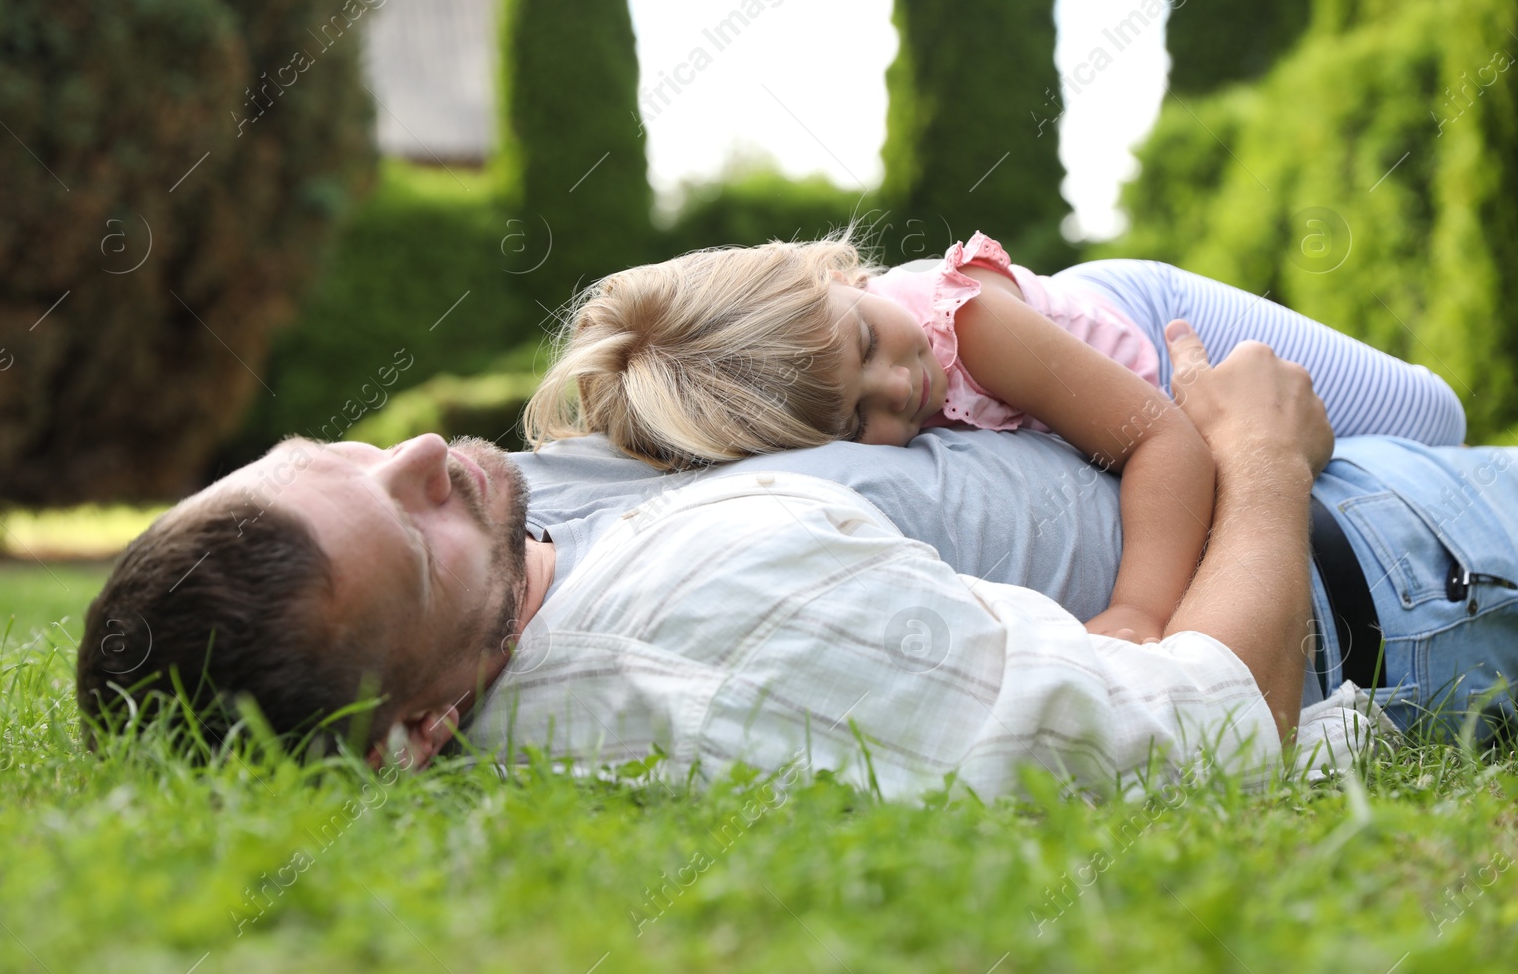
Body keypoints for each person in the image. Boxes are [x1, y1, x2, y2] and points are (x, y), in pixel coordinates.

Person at [76, 327, 1514, 800]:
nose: (418, 455)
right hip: (1400, 570)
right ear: (418, 729)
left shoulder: (540, 602)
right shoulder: (721, 614)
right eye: (413, 528)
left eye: (328, 449)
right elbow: (1202, 725)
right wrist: (1260, 461)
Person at [524, 235, 1466, 645]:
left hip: (1150, 318)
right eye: (858, 422)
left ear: (822, 277)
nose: (903, 387)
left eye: (864, 345)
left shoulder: (968, 324)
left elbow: (1163, 443)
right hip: (1086, 357)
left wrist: (1142, 610)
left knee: (1430, 422)